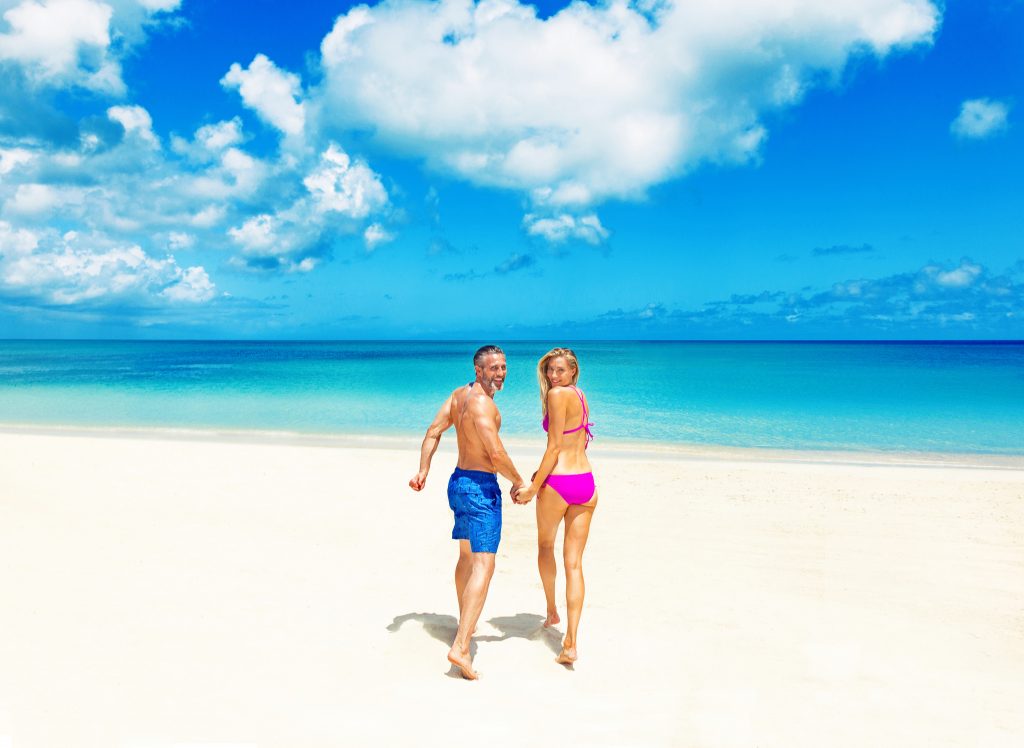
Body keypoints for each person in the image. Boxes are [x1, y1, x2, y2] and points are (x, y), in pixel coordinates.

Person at [409, 344, 526, 679]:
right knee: (484, 566)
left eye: (503, 367)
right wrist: (519, 481)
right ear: (478, 370)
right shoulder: (482, 406)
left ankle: (465, 625)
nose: (500, 373)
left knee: (465, 558)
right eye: (493, 368)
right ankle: (461, 646)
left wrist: (423, 470)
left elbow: (433, 431)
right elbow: (497, 453)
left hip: (458, 483)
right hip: (480, 488)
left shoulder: (458, 396)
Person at [512, 347, 596, 665]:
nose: (553, 376)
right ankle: (570, 642)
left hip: (559, 482)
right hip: (586, 482)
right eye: (550, 370)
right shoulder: (581, 395)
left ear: (573, 371)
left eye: (560, 370)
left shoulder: (557, 396)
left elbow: (554, 447)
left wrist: (534, 486)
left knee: (545, 546)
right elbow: (578, 442)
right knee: (574, 564)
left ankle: (551, 612)